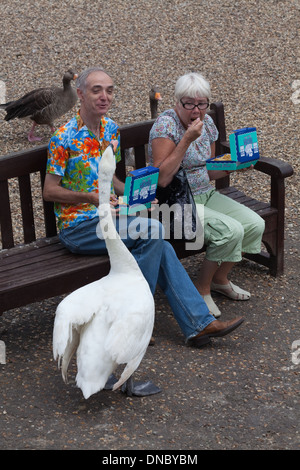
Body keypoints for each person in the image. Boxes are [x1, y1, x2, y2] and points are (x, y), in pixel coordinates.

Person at [43, 66, 244, 348]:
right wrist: (90, 198)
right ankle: (136, 322)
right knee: (153, 230)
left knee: (157, 243)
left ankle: (198, 325)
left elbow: (109, 178)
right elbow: (49, 190)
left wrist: (136, 194)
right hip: (79, 227)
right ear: (80, 94)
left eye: (110, 90)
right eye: (96, 90)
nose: (104, 96)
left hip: (111, 217)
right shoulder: (63, 137)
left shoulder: (110, 130)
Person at [148, 72, 265, 318]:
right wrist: (187, 140)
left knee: (255, 224)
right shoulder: (165, 126)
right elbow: (162, 178)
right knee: (230, 230)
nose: (196, 110)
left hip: (204, 194)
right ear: (177, 102)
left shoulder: (207, 123)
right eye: (189, 103)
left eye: (202, 104)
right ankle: (201, 289)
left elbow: (207, 170)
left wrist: (234, 165)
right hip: (174, 203)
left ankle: (219, 279)